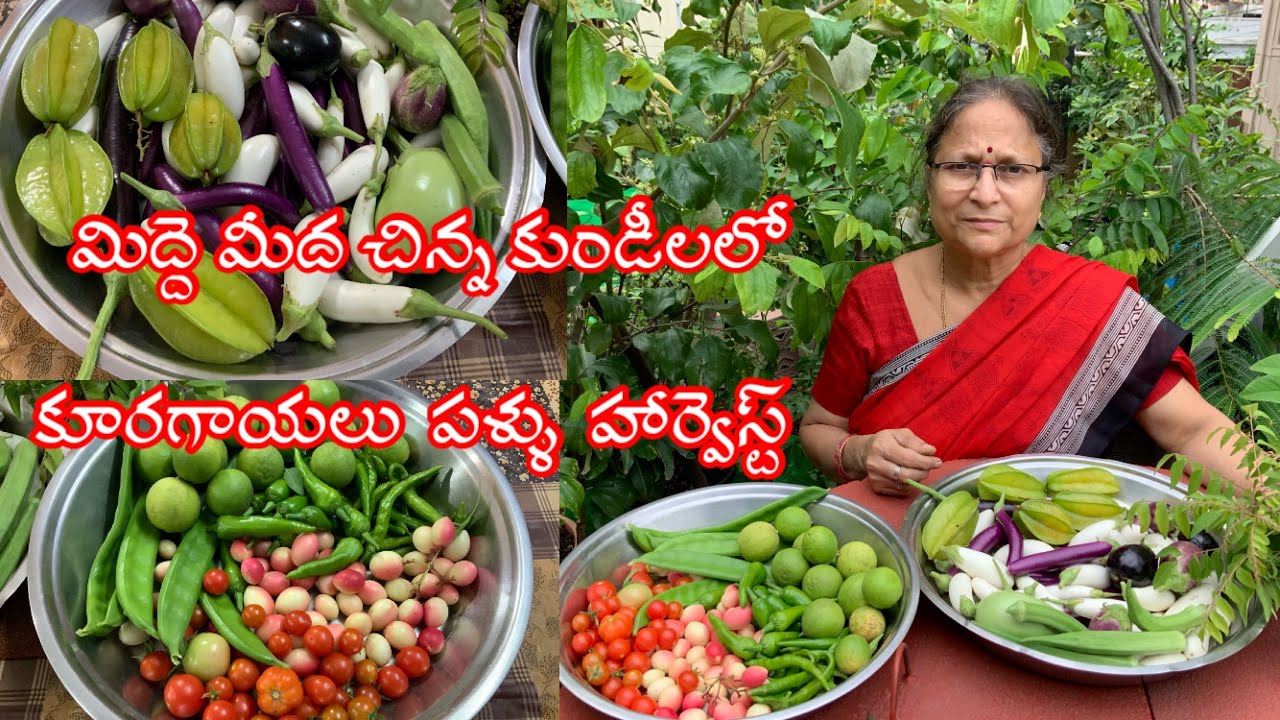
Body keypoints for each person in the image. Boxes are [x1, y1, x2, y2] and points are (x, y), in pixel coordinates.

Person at [798, 75, 1249, 496]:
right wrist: (858, 452)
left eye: (1012, 170)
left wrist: (1268, 505)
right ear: (930, 179)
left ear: (1044, 187)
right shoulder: (874, 299)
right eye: (961, 166)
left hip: (1045, 549)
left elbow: (1192, 431)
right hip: (890, 543)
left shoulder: (1089, 305)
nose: (985, 193)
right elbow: (820, 427)